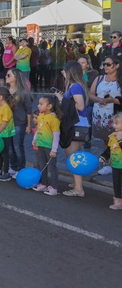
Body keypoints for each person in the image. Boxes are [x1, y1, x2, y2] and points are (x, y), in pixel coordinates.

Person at [55, 61, 90, 197]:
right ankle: (77, 183)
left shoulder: (75, 86)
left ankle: (79, 188)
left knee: (72, 156)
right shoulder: (78, 85)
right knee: (75, 155)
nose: (63, 73)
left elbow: (80, 106)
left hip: (75, 123)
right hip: (79, 123)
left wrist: (62, 99)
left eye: (65, 71)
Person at [90, 56, 121, 174]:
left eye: (109, 64)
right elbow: (91, 94)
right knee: (106, 140)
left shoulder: (120, 80)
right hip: (100, 115)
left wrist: (112, 100)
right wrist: (98, 99)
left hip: (115, 115)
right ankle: (109, 163)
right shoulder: (99, 78)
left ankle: (116, 164)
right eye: (104, 64)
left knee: (117, 140)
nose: (105, 66)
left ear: (117, 65)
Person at [5, 68, 33, 178]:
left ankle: (21, 168)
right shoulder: (5, 90)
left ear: (16, 77)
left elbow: (29, 110)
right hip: (8, 122)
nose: (6, 77)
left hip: (19, 123)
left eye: (9, 75)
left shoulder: (24, 93)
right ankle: (13, 166)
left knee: (17, 146)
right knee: (10, 147)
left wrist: (29, 125)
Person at [32, 95, 62, 196]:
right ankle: (43, 184)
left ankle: (54, 187)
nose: (38, 106)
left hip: (49, 147)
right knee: (42, 165)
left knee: (51, 167)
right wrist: (35, 138)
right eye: (38, 103)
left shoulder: (53, 119)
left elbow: (56, 135)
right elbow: (38, 129)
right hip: (40, 145)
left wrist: (54, 149)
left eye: (41, 104)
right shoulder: (41, 116)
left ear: (49, 106)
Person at [107, 113, 122, 209]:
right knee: (116, 183)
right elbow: (109, 149)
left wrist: (120, 139)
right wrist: (104, 157)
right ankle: (118, 201)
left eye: (116, 123)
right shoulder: (112, 136)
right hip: (115, 165)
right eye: (113, 123)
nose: (113, 125)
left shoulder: (118, 137)